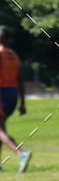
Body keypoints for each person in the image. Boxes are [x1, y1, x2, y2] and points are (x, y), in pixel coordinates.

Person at [0, 26, 31, 172]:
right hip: (13, 93)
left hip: (2, 92)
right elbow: (20, 80)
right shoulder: (13, 54)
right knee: (2, 129)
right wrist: (23, 103)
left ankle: (21, 153)